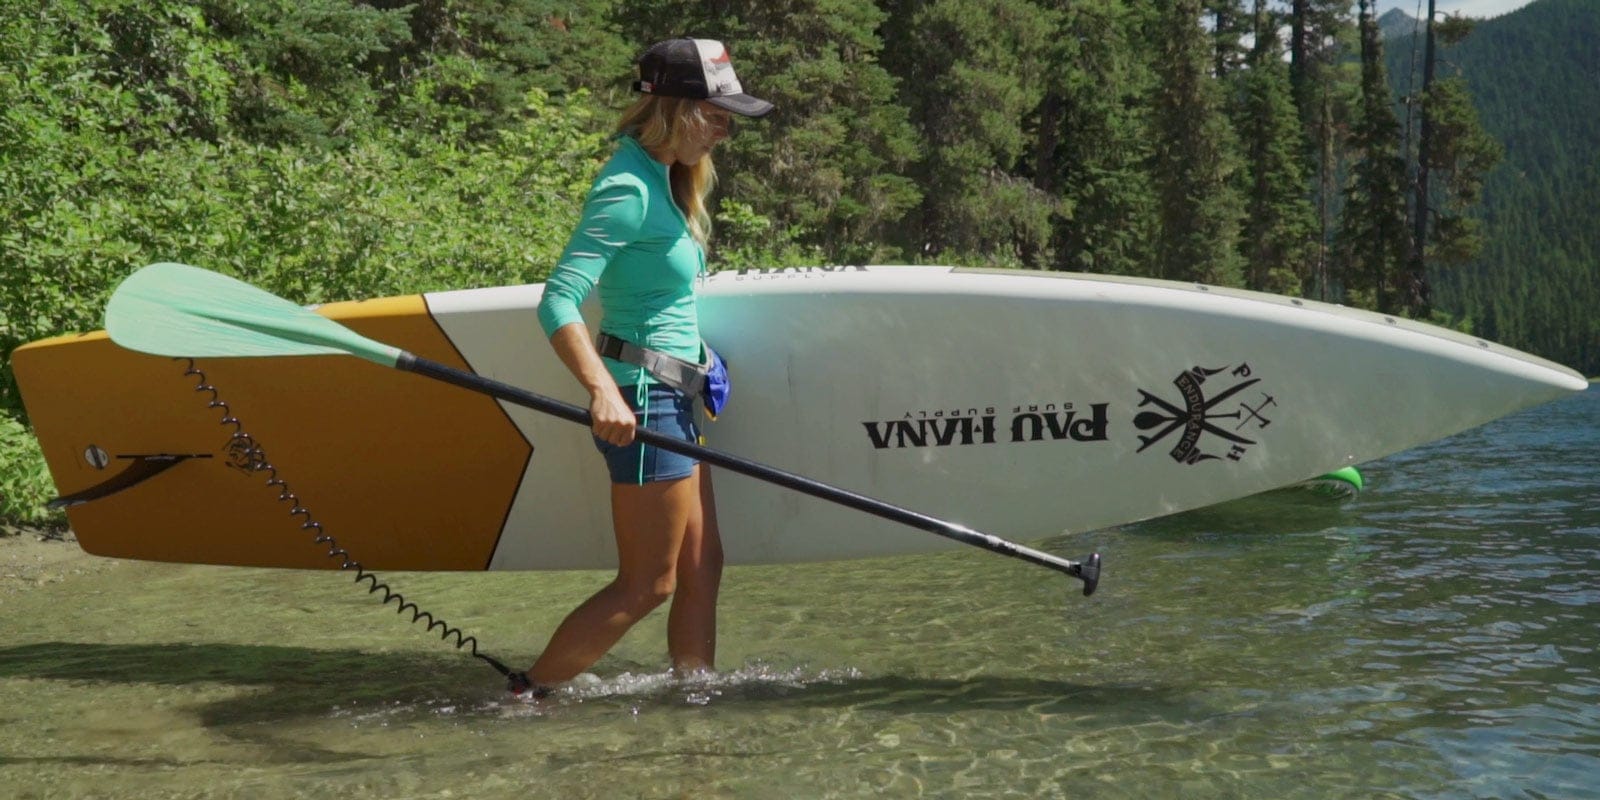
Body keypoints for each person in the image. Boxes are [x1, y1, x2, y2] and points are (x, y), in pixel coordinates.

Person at [515, 38, 774, 697]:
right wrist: (602, 392)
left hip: (676, 394)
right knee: (647, 584)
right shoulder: (626, 188)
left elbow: (661, 297)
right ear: (677, 109)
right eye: (716, 115)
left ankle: (694, 695)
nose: (724, 130)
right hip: (641, 400)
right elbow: (559, 300)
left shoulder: (668, 180)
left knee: (702, 565)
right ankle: (526, 696)